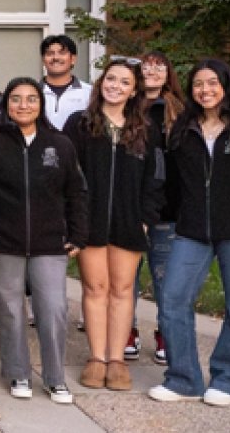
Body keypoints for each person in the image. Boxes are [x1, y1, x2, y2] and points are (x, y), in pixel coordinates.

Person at [150, 59, 230, 407]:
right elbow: (175, 182)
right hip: (192, 230)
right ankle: (183, 378)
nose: (204, 90)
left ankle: (229, 378)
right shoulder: (182, 129)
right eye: (197, 84)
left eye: (212, 83)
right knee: (173, 300)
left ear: (226, 86)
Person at [0, 78, 87, 405]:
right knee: (10, 311)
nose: (23, 105)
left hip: (49, 242)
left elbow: (76, 191)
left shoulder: (60, 144)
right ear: (5, 105)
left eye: (30, 99)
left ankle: (55, 378)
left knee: (53, 309)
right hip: (5, 242)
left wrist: (79, 233)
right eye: (15, 99)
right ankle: (17, 372)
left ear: (40, 104)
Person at [63, 58, 165, 392]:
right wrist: (73, 219)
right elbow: (67, 174)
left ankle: (117, 359)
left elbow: (156, 177)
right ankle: (96, 358)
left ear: (134, 90)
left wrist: (147, 218)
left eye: (124, 82)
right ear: (100, 83)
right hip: (89, 220)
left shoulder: (146, 129)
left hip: (129, 219)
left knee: (123, 290)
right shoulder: (79, 124)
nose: (115, 86)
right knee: (95, 289)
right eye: (110, 79)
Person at [131, 50, 185, 364]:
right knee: (128, 277)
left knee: (165, 276)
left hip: (169, 208)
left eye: (159, 67)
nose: (152, 71)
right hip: (130, 206)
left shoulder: (181, 111)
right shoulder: (124, 108)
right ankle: (127, 330)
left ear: (168, 74)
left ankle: (166, 333)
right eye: (146, 66)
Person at [40, 35, 92, 130]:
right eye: (50, 53)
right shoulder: (33, 92)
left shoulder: (89, 93)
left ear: (73, 59)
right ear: (43, 60)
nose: (55, 57)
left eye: (62, 53)